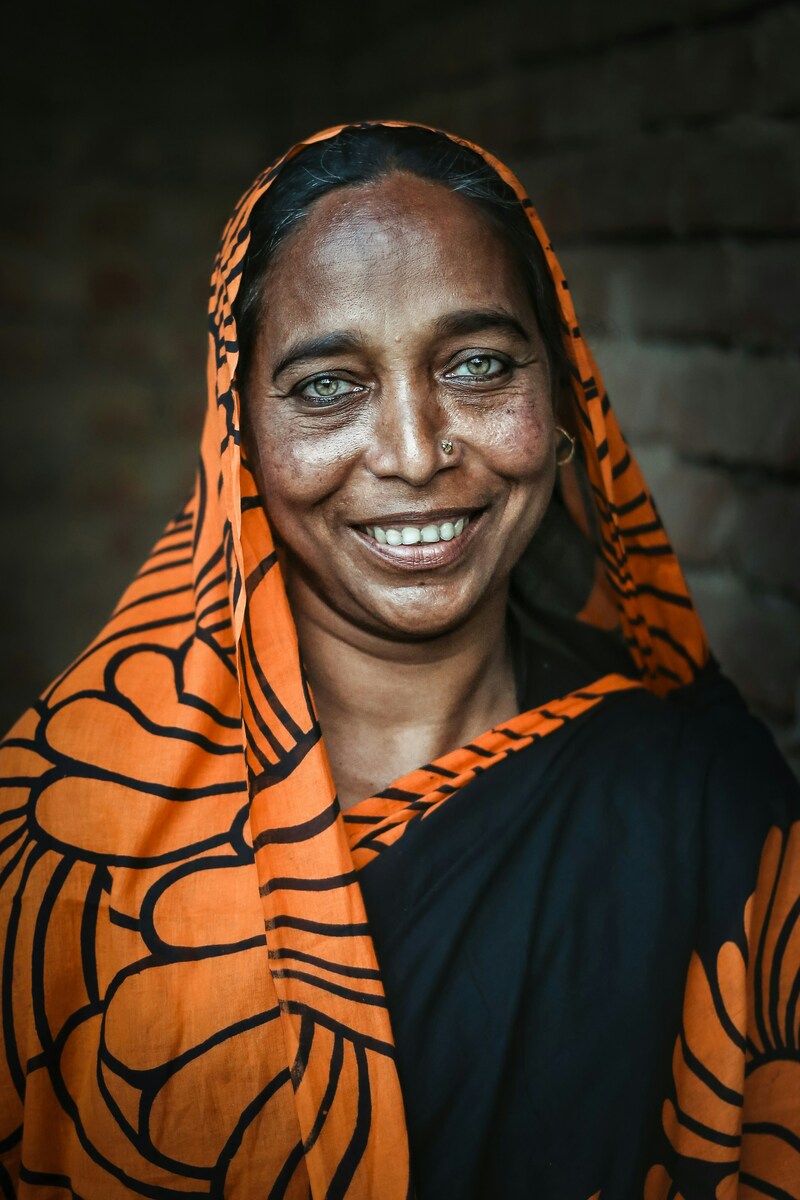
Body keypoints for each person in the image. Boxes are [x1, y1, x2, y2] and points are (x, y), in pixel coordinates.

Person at [0, 120, 797, 1200]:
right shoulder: (56, 828)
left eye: (476, 365)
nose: (416, 452)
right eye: (327, 384)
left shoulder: (709, 810)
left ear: (560, 400)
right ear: (238, 435)